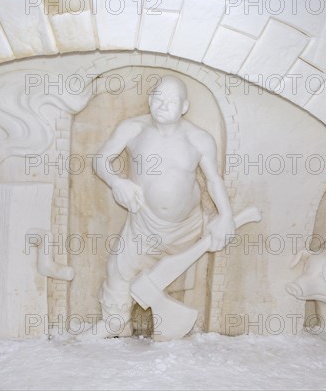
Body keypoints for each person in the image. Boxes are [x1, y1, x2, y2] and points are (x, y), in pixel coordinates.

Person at [88, 75, 235, 338]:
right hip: (144, 223)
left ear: (184, 107)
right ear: (149, 99)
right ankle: (116, 322)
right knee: (118, 270)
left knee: (158, 277)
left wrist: (226, 215)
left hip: (187, 227)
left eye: (171, 100)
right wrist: (116, 182)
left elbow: (213, 180)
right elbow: (101, 159)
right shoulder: (133, 128)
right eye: (158, 97)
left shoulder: (198, 139)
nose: (162, 105)